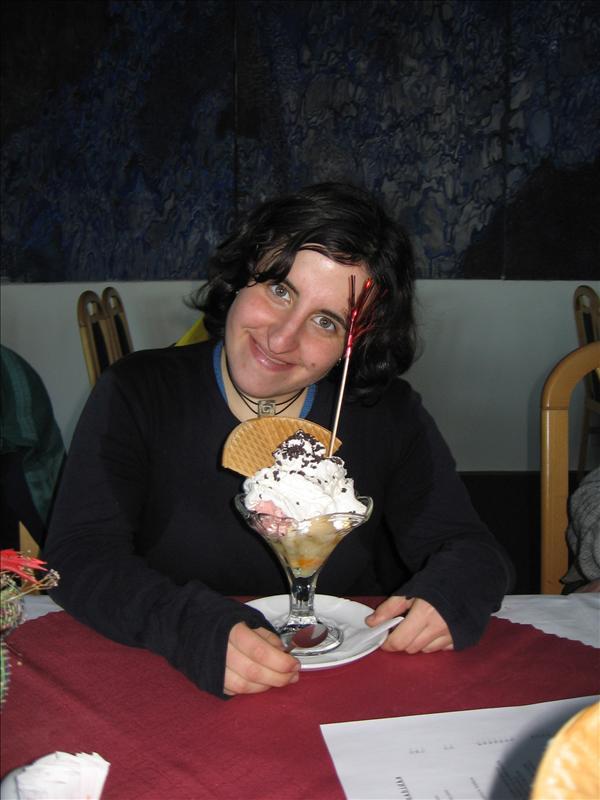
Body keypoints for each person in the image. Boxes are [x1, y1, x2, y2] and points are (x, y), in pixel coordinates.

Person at [44, 183, 514, 699]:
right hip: (173, 675)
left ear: (354, 343)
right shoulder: (139, 391)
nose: (282, 338)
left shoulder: (387, 414)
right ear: (242, 275)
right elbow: (79, 552)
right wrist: (182, 623)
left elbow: (473, 549)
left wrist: (454, 591)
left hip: (344, 681)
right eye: (280, 290)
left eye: (326, 321)